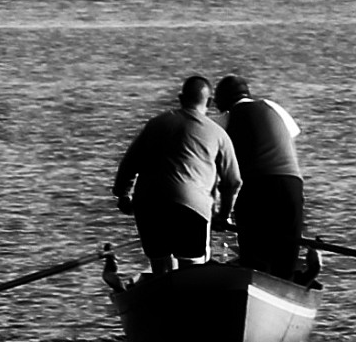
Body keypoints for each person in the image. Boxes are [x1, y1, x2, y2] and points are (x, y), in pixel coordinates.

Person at [113, 75, 241, 272]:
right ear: (210, 102)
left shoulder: (156, 124)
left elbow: (129, 164)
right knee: (192, 267)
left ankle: (162, 296)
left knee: (160, 265)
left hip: (149, 205)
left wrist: (122, 195)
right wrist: (223, 216)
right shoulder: (218, 134)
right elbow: (232, 182)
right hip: (192, 207)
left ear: (181, 99)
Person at [213, 74, 305, 280]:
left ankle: (254, 287)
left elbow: (216, 166)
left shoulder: (225, 119)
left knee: (255, 259)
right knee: (287, 257)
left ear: (222, 102)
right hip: (292, 185)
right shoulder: (274, 107)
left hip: (255, 187)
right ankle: (284, 292)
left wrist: (222, 214)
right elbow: (291, 134)